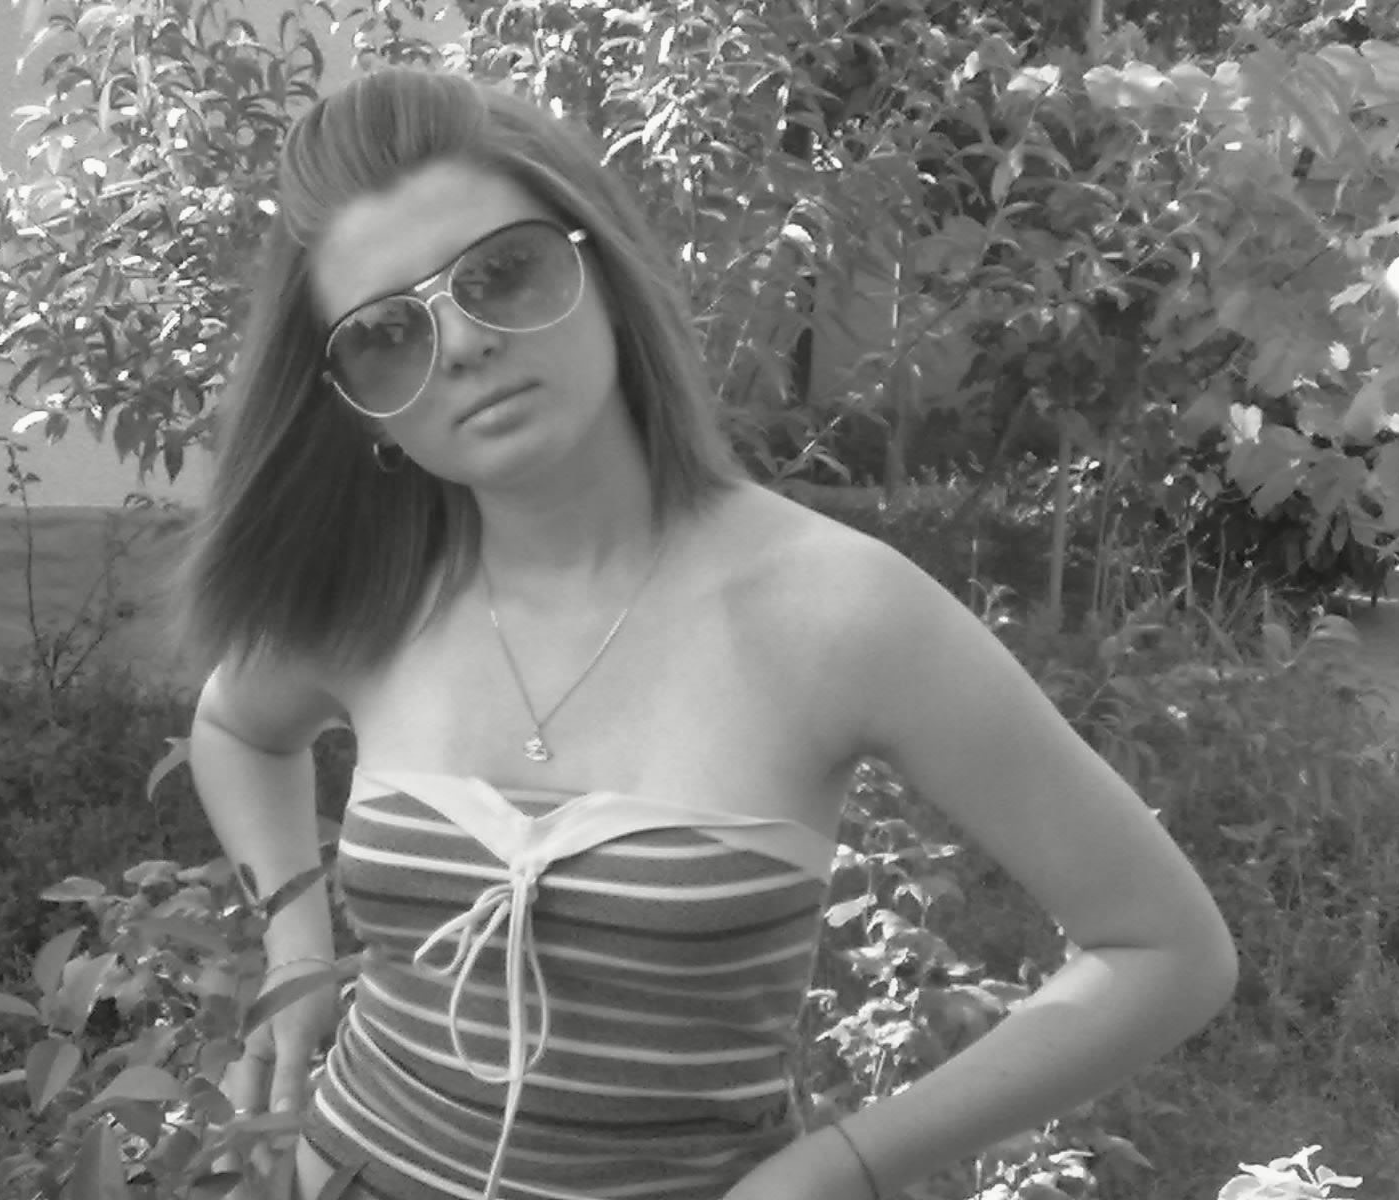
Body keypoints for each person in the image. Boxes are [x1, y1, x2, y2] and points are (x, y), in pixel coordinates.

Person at [176, 64, 1237, 1200]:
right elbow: (238, 729)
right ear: (360, 410)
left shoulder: (837, 610)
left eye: (501, 273)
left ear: (604, 269)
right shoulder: (376, 591)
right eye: (387, 333)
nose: (465, 344)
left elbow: (1164, 949)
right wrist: (295, 942)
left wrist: (836, 1169)